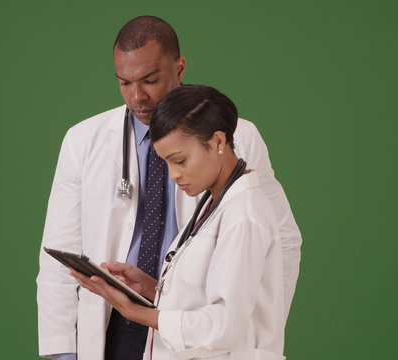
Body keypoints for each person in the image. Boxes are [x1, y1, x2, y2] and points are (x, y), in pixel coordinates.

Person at [36, 16, 301, 360]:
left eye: (150, 80)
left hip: (202, 332)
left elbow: (283, 243)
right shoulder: (83, 140)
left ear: (179, 67)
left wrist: (256, 338)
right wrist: (64, 352)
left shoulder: (238, 138)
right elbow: (59, 257)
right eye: (124, 83)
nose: (137, 96)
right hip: (118, 319)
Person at [71, 84, 286, 359]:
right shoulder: (214, 205)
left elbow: (223, 327)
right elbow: (202, 297)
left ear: (219, 142)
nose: (173, 175)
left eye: (180, 160)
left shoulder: (245, 214)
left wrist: (133, 311)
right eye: (167, 163)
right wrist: (150, 289)